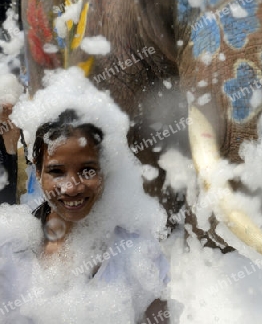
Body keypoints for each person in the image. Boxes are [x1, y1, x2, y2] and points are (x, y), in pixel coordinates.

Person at [0, 69, 169, 323]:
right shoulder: (10, 251)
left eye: (87, 170)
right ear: (37, 171)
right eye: (56, 171)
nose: (71, 187)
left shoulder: (136, 251)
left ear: (105, 169)